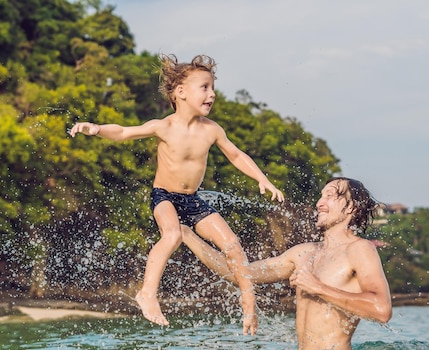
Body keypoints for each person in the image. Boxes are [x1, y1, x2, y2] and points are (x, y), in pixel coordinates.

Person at [69, 54, 284, 334]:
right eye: (204, 87)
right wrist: (96, 129)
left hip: (193, 200)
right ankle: (147, 293)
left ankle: (249, 307)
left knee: (232, 243)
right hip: (165, 197)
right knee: (171, 235)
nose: (212, 94)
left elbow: (236, 154)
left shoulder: (212, 130)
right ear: (180, 93)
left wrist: (261, 179)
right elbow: (123, 132)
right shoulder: (164, 126)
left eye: (212, 88)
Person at [181, 177, 392, 350]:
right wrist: (187, 235)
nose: (320, 203)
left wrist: (318, 288)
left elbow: (381, 310)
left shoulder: (360, 249)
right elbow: (242, 274)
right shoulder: (302, 253)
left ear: (351, 208)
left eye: (330, 196)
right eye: (320, 196)